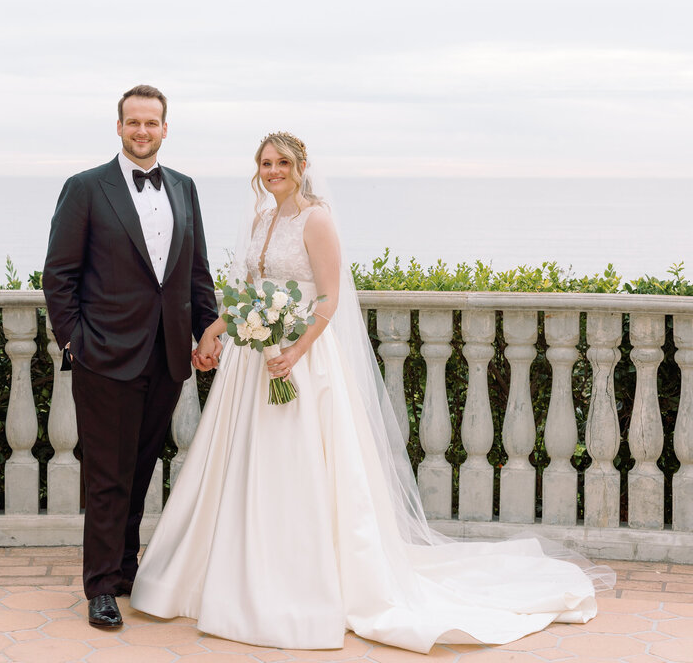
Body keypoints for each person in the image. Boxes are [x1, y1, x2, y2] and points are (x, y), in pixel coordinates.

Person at [130, 132, 614, 653]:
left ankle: (300, 582)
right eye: (265, 163)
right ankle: (234, 572)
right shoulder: (260, 219)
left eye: (282, 163)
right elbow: (249, 293)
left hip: (302, 360)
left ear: (302, 165)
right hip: (253, 363)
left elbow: (330, 299)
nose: (273, 171)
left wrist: (294, 351)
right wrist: (215, 331)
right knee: (244, 464)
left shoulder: (317, 219)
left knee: (301, 467)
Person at [42, 84, 221, 629]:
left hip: (166, 357)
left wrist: (206, 329)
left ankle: (124, 570)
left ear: (166, 129)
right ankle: (99, 585)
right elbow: (59, 275)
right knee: (107, 475)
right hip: (105, 356)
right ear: (119, 128)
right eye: (133, 122)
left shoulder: (186, 189)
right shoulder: (86, 188)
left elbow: (195, 271)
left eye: (152, 123)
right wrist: (75, 341)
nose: (142, 131)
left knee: (140, 470)